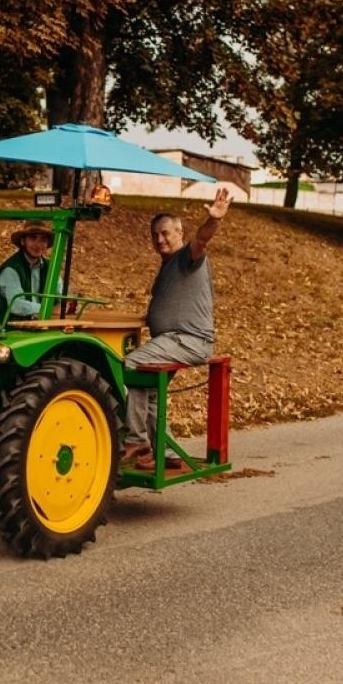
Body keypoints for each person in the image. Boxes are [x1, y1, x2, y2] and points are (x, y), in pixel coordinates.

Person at [122, 186, 232, 471]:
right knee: (150, 392)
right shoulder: (168, 266)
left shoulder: (186, 257)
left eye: (166, 233)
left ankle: (136, 439)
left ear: (180, 233)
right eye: (155, 235)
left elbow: (202, 241)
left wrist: (215, 219)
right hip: (173, 339)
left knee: (133, 364)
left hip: (189, 340)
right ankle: (165, 453)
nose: (160, 239)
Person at [0, 224, 55, 329]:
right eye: (33, 238)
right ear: (23, 241)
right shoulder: (11, 269)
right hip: (9, 330)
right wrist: (49, 309)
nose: (38, 244)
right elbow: (16, 306)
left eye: (43, 240)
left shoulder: (50, 266)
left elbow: (61, 293)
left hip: (39, 327)